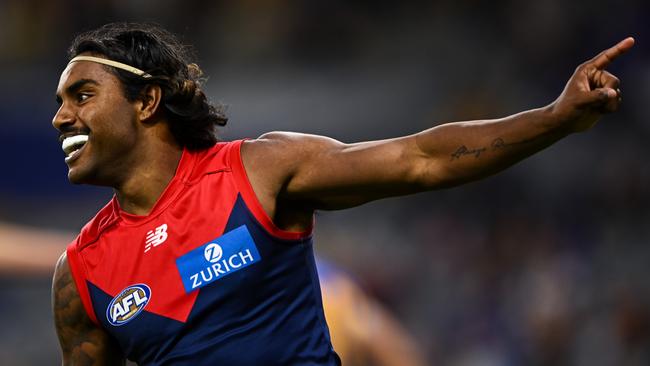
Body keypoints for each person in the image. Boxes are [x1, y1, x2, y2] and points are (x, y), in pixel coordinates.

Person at [50, 22, 633, 365]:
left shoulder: (257, 172)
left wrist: (554, 118)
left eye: (81, 95)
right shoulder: (80, 276)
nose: (60, 117)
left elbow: (419, 159)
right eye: (59, 102)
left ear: (146, 102)